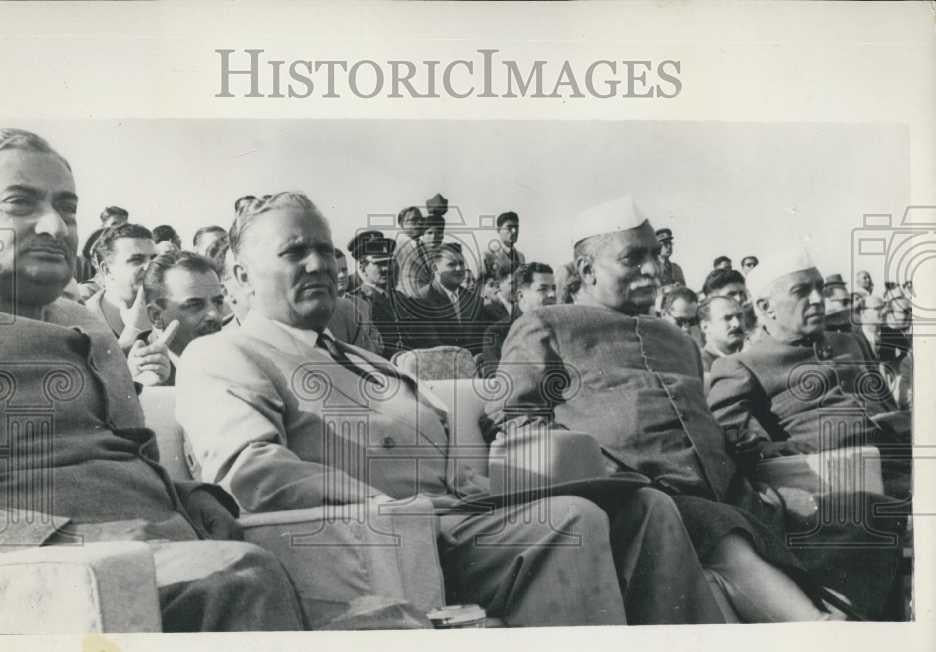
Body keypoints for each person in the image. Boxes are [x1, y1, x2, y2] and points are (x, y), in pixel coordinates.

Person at [176, 191, 728, 626]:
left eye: (326, 249)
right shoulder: (225, 354)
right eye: (295, 252)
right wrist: (398, 504)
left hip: (456, 523)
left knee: (644, 507)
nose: (319, 264)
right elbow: (250, 474)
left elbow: (450, 454)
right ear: (241, 277)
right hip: (374, 543)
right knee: (571, 523)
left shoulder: (366, 361)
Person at [0, 128, 305, 632]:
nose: (55, 225)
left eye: (67, 207)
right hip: (50, 582)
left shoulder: (87, 323)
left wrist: (192, 498)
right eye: (19, 203)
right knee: (245, 579)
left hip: (166, 556)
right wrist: (82, 543)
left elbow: (127, 458)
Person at [486, 195, 856, 622]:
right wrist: (596, 467)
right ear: (586, 271)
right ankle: (817, 628)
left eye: (655, 256)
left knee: (847, 515)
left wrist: (758, 449)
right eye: (633, 259)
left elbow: (706, 423)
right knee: (722, 534)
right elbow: (513, 417)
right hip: (640, 498)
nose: (653, 270)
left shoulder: (677, 340)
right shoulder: (548, 326)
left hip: (733, 492)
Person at [706, 254, 910, 506]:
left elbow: (888, 408)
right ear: (766, 307)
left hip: (907, 465)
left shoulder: (851, 342)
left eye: (819, 289)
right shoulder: (742, 367)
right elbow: (744, 452)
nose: (818, 299)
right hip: (841, 489)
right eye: (801, 291)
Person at [138, 250, 226, 383]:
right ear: (156, 316)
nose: (214, 315)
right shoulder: (129, 371)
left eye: (218, 302)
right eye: (195, 305)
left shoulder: (234, 359)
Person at [416, 242, 495, 355]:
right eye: (451, 264)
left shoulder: (474, 300)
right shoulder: (422, 299)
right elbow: (431, 345)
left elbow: (481, 341)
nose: (459, 269)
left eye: (461, 263)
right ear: (435, 268)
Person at [482, 262, 556, 377]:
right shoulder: (497, 334)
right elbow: (496, 384)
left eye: (553, 288)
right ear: (521, 295)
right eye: (543, 289)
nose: (552, 294)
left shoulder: (559, 327)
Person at [698, 295, 746, 372]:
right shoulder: (699, 366)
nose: (736, 324)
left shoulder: (751, 354)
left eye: (739, 316)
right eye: (727, 318)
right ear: (705, 327)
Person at [393, 205, 429, 298]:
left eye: (421, 219)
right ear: (402, 224)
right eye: (414, 220)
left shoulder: (428, 247)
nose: (420, 222)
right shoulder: (396, 248)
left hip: (430, 301)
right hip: (408, 301)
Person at [482, 211, 526, 278]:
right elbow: (480, 284)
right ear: (498, 230)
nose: (514, 231)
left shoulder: (521, 257)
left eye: (516, 227)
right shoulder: (488, 255)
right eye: (509, 228)